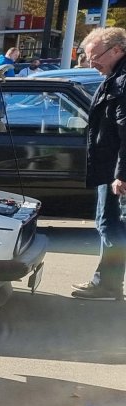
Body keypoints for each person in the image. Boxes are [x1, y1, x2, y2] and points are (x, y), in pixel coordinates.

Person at [76, 27, 126, 300]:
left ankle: (108, 286)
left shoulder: (122, 82)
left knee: (111, 226)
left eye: (95, 57)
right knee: (109, 225)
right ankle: (106, 283)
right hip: (112, 167)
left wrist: (122, 174)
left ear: (117, 50)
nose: (91, 63)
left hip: (115, 170)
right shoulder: (115, 77)